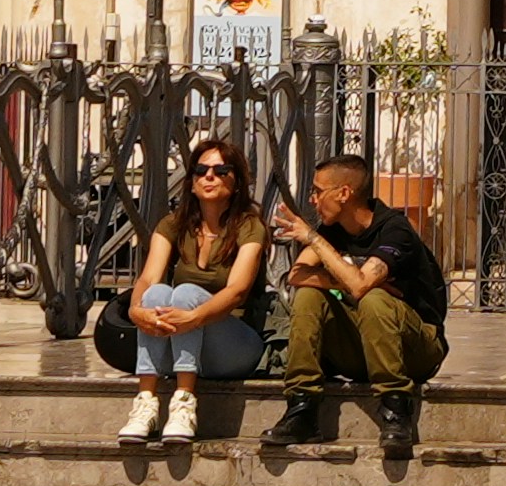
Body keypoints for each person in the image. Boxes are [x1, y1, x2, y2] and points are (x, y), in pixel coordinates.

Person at [264, 149, 449, 462]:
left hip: (416, 351)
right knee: (309, 296)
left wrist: (315, 240)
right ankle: (301, 407)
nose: (312, 199)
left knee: (374, 298)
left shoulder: (395, 230)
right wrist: (342, 279)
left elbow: (362, 286)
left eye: (318, 191)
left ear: (344, 193)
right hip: (363, 349)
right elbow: (297, 275)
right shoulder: (333, 230)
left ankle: (395, 410)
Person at [116, 138, 268, 447]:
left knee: (185, 292)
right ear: (192, 182)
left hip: (235, 346)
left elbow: (237, 291)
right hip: (187, 344)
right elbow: (147, 278)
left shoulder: (250, 226)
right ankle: (146, 402)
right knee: (156, 294)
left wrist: (194, 317)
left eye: (221, 170)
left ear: (237, 182)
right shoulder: (173, 224)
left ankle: (184, 402)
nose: (209, 176)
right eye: (201, 170)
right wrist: (136, 310)